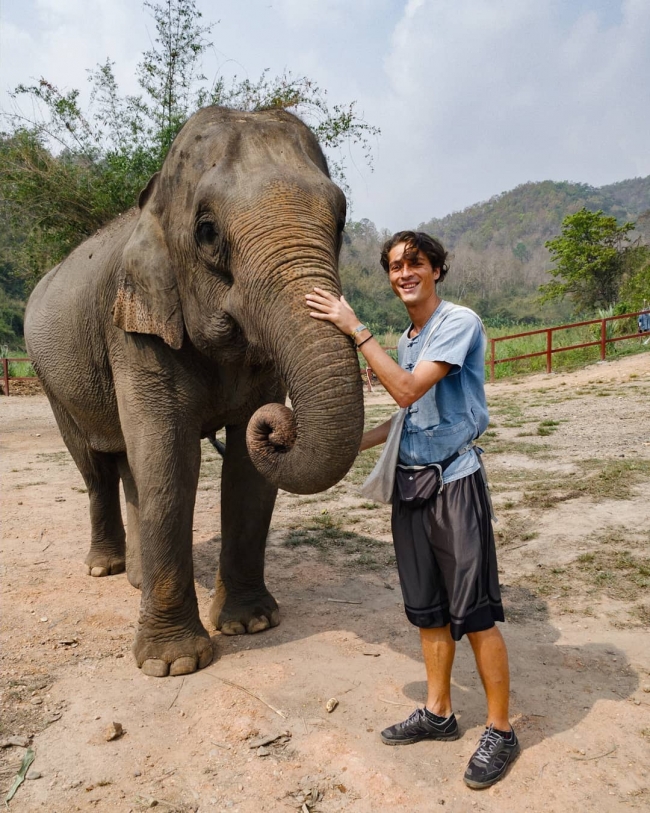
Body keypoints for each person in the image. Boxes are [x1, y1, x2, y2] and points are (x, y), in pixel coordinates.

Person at [305, 230, 519, 790]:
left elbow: (403, 390)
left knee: (473, 613)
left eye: (415, 263)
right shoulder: (405, 337)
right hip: (411, 486)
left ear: (436, 270)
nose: (404, 273)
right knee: (427, 610)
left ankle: (500, 728)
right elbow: (407, 415)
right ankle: (439, 713)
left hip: (454, 484)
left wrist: (353, 327)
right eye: (395, 265)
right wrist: (345, 442)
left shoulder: (457, 323)